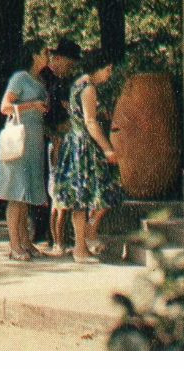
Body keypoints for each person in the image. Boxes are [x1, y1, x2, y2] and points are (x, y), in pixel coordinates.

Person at [50, 52, 125, 263]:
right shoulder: (89, 88)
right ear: (98, 68)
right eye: (107, 70)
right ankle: (83, 245)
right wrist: (108, 148)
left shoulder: (78, 84)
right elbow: (90, 123)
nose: (108, 74)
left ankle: (82, 245)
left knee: (81, 198)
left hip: (74, 143)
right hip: (85, 146)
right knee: (97, 192)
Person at [0, 40, 52, 261]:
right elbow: (5, 107)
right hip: (19, 142)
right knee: (16, 193)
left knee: (27, 192)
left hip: (34, 141)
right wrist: (32, 106)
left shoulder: (39, 81)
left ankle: (25, 241)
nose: (47, 56)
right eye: (44, 52)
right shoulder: (20, 78)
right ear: (34, 55)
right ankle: (14, 245)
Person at [38, 39, 82, 254]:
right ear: (60, 59)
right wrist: (54, 135)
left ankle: (53, 236)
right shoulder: (45, 79)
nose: (70, 68)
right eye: (70, 63)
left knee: (56, 193)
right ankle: (49, 235)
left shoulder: (62, 81)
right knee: (52, 191)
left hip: (59, 138)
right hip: (50, 139)